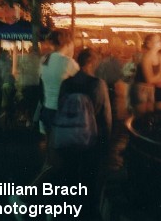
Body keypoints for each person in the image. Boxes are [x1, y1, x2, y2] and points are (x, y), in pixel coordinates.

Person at [55, 47, 112, 219]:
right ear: (92, 62)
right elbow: (106, 115)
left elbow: (60, 108)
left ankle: (67, 208)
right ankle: (87, 210)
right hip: (90, 138)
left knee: (69, 172)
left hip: (68, 137)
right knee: (90, 175)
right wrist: (106, 142)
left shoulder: (66, 83)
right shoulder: (98, 84)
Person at [38, 29, 78, 134]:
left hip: (46, 110)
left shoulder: (44, 60)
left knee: (49, 144)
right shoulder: (69, 63)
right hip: (62, 111)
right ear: (68, 44)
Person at [131, 34, 161, 115]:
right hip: (141, 88)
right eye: (158, 41)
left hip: (150, 87)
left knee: (149, 113)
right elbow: (150, 79)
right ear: (149, 44)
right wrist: (159, 76)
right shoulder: (146, 57)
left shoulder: (159, 56)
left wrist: (158, 77)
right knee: (141, 114)